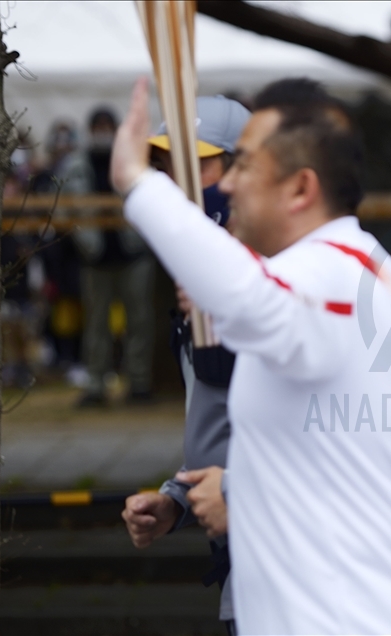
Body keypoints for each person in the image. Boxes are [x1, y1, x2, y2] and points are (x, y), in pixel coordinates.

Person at [111, 77, 391, 634]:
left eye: (244, 167)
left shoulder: (334, 275)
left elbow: (247, 295)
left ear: (299, 188)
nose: (229, 185)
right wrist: (210, 492)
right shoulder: (343, 270)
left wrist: (138, 186)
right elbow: (316, 453)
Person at [120, 94, 250, 633]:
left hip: (296, 573)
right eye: (167, 164)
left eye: (197, 163)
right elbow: (221, 419)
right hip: (238, 570)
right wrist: (175, 498)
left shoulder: (279, 293)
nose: (179, 182)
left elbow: (320, 435)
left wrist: (238, 491)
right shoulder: (194, 293)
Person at [68, 108, 158, 406]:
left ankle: (140, 384)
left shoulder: (134, 160)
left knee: (139, 322)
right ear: (90, 130)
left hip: (133, 253)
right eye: (99, 126)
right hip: (95, 257)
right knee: (96, 326)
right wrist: (84, 244)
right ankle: (96, 386)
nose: (103, 132)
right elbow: (66, 208)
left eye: (108, 126)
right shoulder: (76, 165)